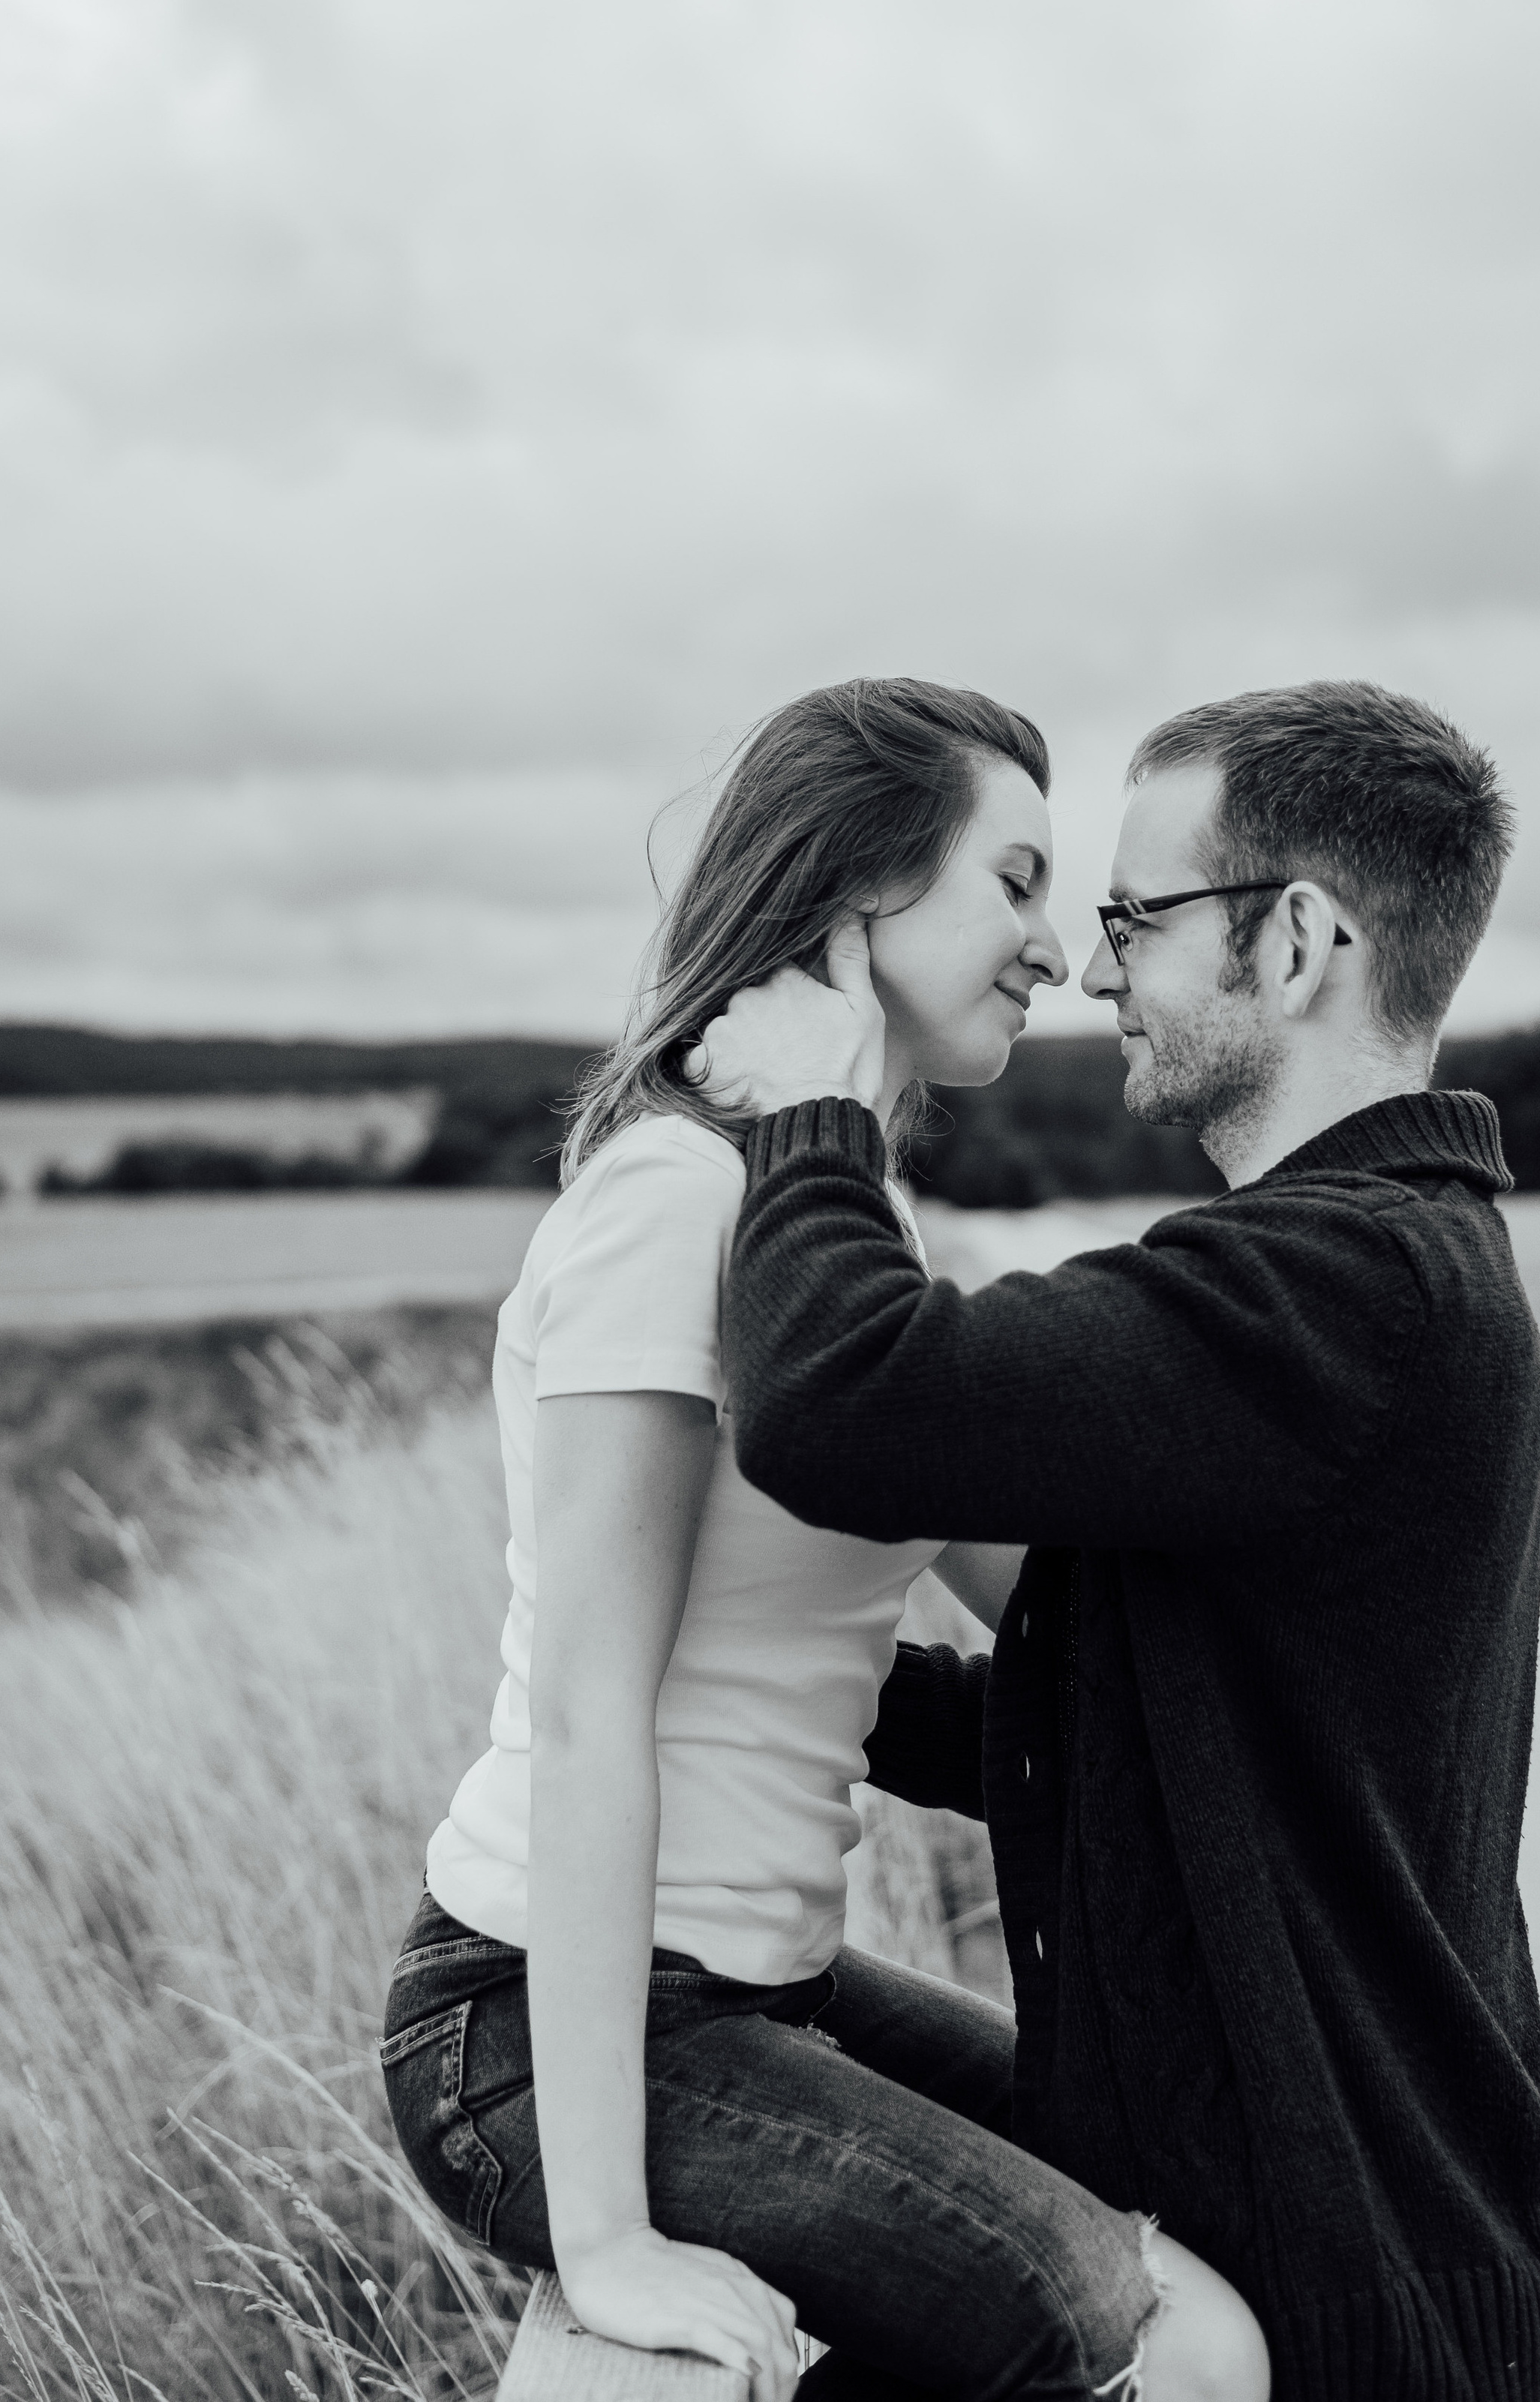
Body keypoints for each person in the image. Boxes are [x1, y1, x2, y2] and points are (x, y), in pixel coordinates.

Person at [701, 680, 1540, 2402]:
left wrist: (806, 1119)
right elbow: (1119, 1722)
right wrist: (754, 1672)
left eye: (1135, 916)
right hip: (1333, 2245)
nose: (1093, 966)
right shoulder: (1374, 1270)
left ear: (1296, 942)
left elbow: (837, 1395)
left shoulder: (1345, 1284)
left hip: (1341, 2296)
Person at [380, 677, 1271, 2402]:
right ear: (862, 897)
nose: (1051, 944)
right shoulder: (675, 1203)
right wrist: (609, 2238)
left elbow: (1042, 1605)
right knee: (1160, 2347)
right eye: (1012, 882)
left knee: (1163, 2177)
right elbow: (584, 1716)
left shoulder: (838, 1225)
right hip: (538, 2025)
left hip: (754, 1995)